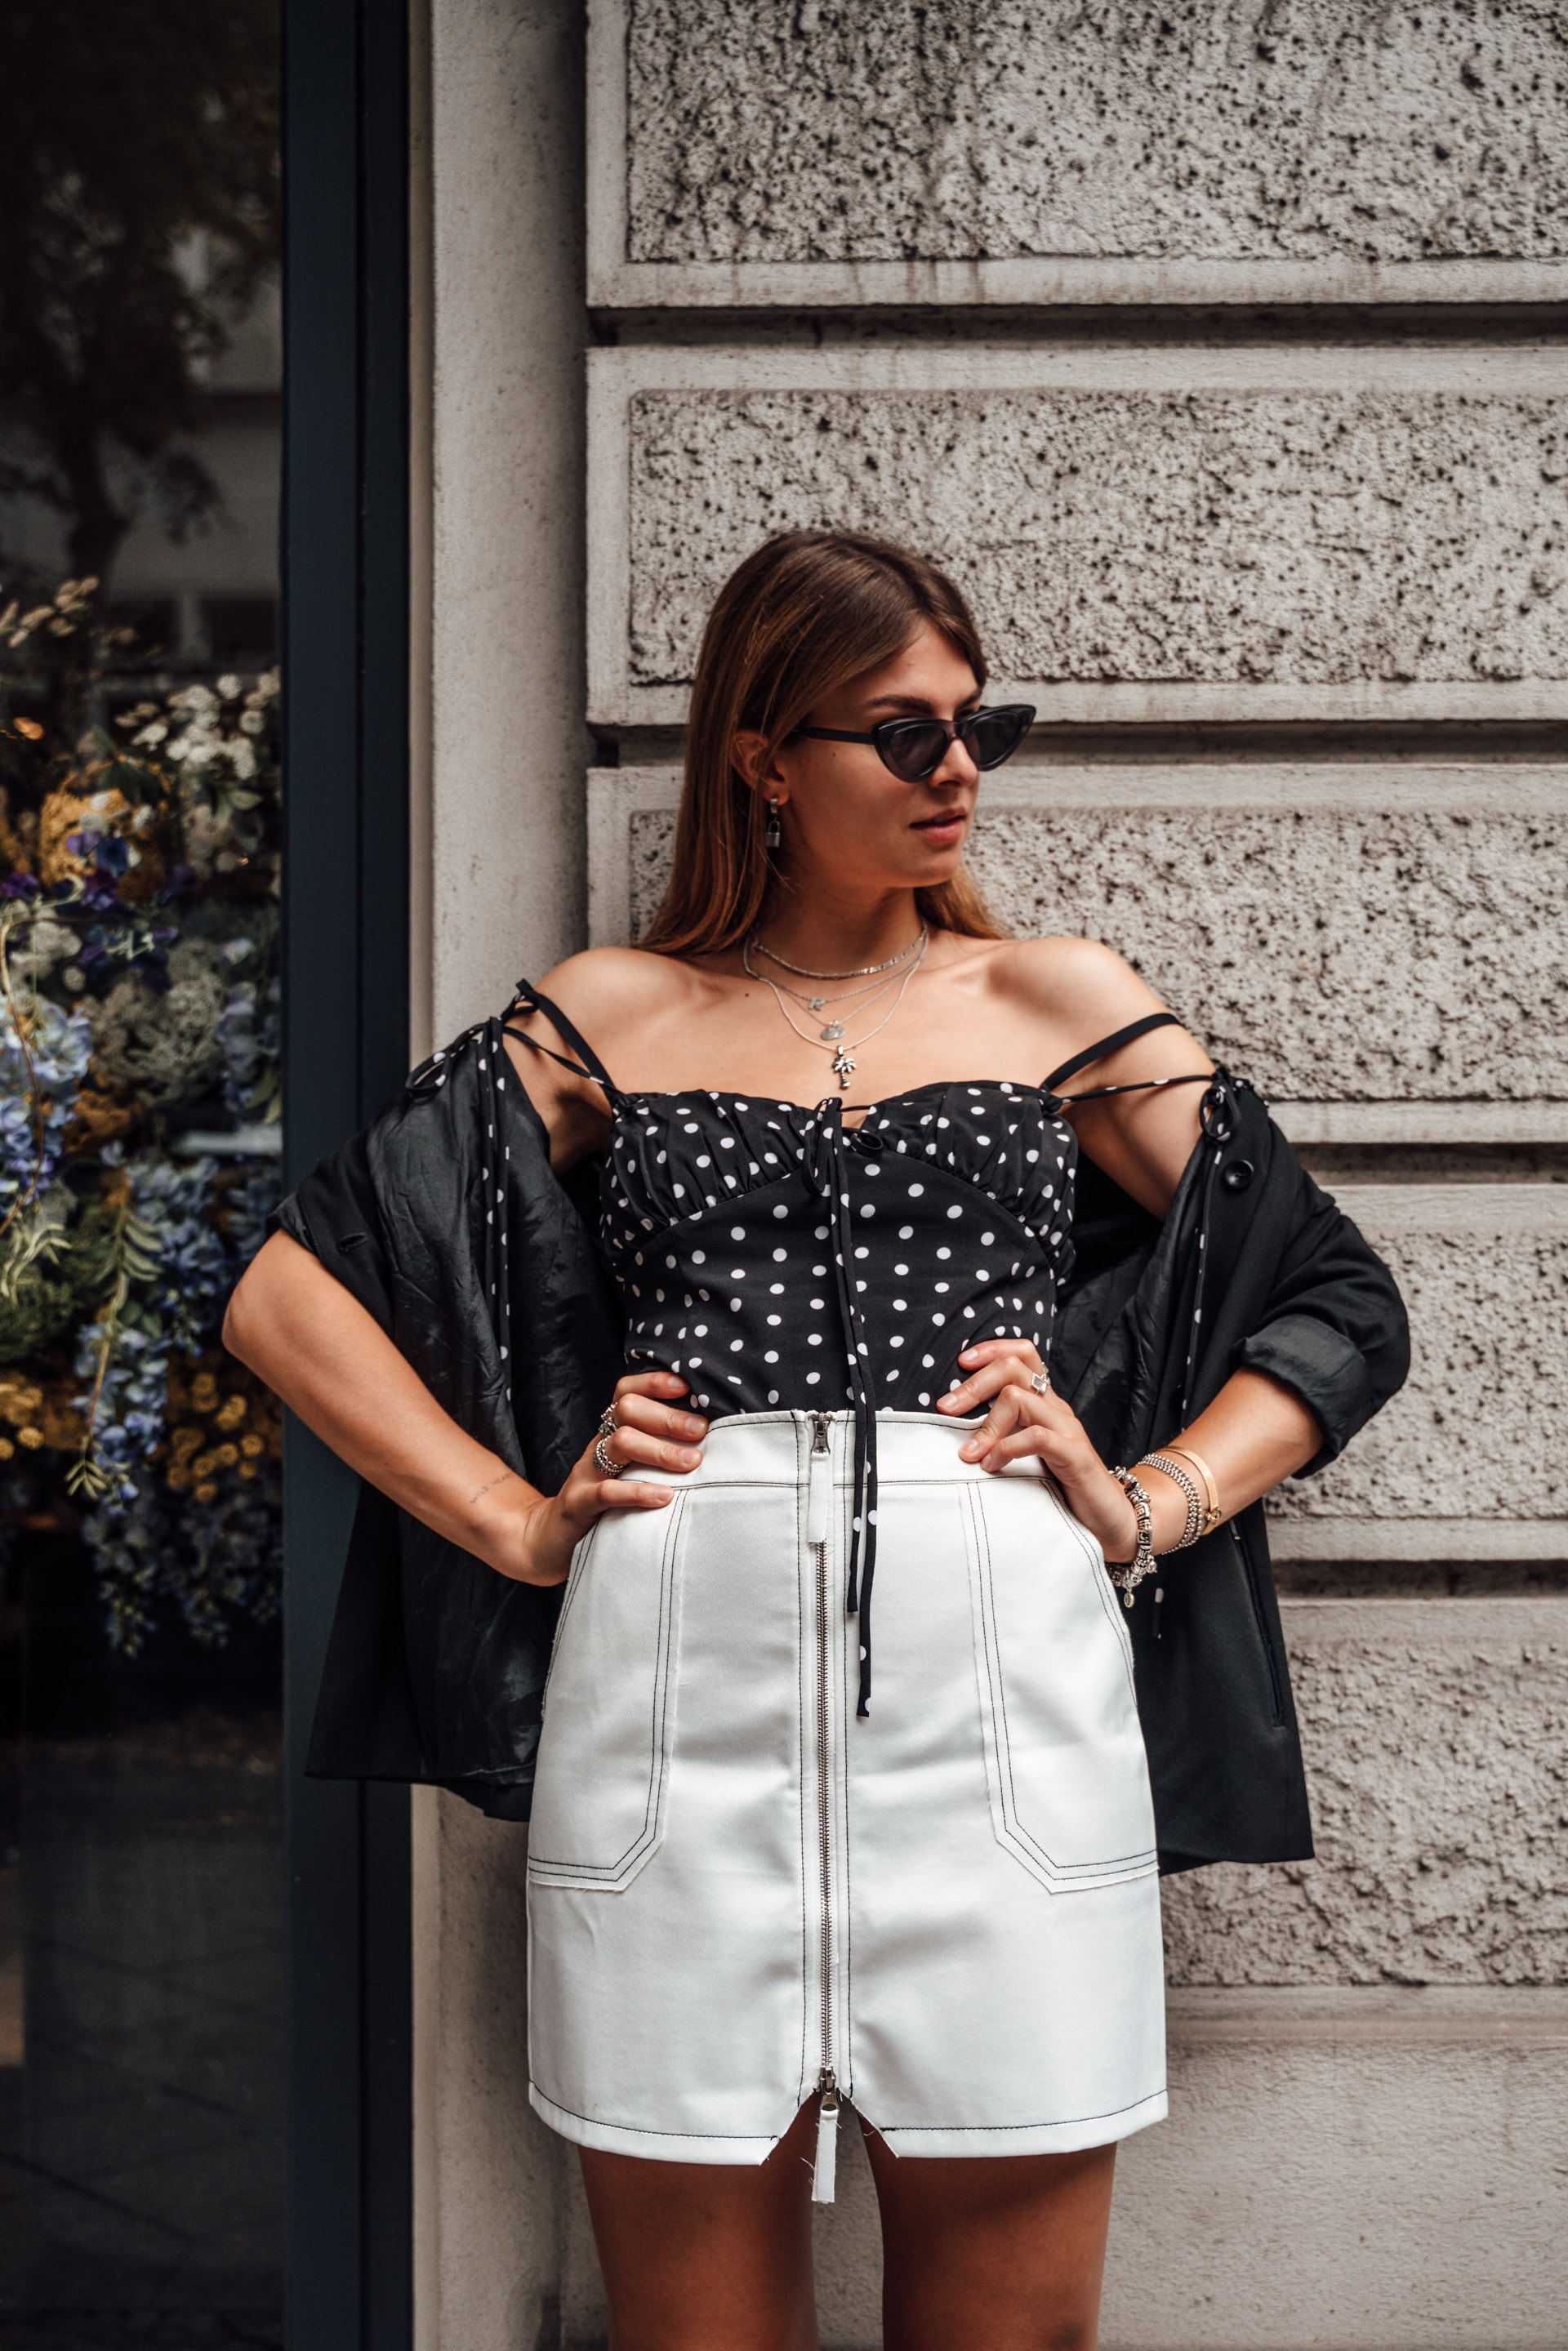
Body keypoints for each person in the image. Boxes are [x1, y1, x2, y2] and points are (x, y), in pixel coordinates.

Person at [226, 529, 1408, 2351]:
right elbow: (293, 1295)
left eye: (976, 728)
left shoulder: (1067, 1005)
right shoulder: (610, 1013)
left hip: (1004, 1718)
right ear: (763, 759)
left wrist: (1146, 1496)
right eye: (901, 731)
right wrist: (521, 1525)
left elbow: (1334, 1302)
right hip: (675, 1724)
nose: (957, 772)